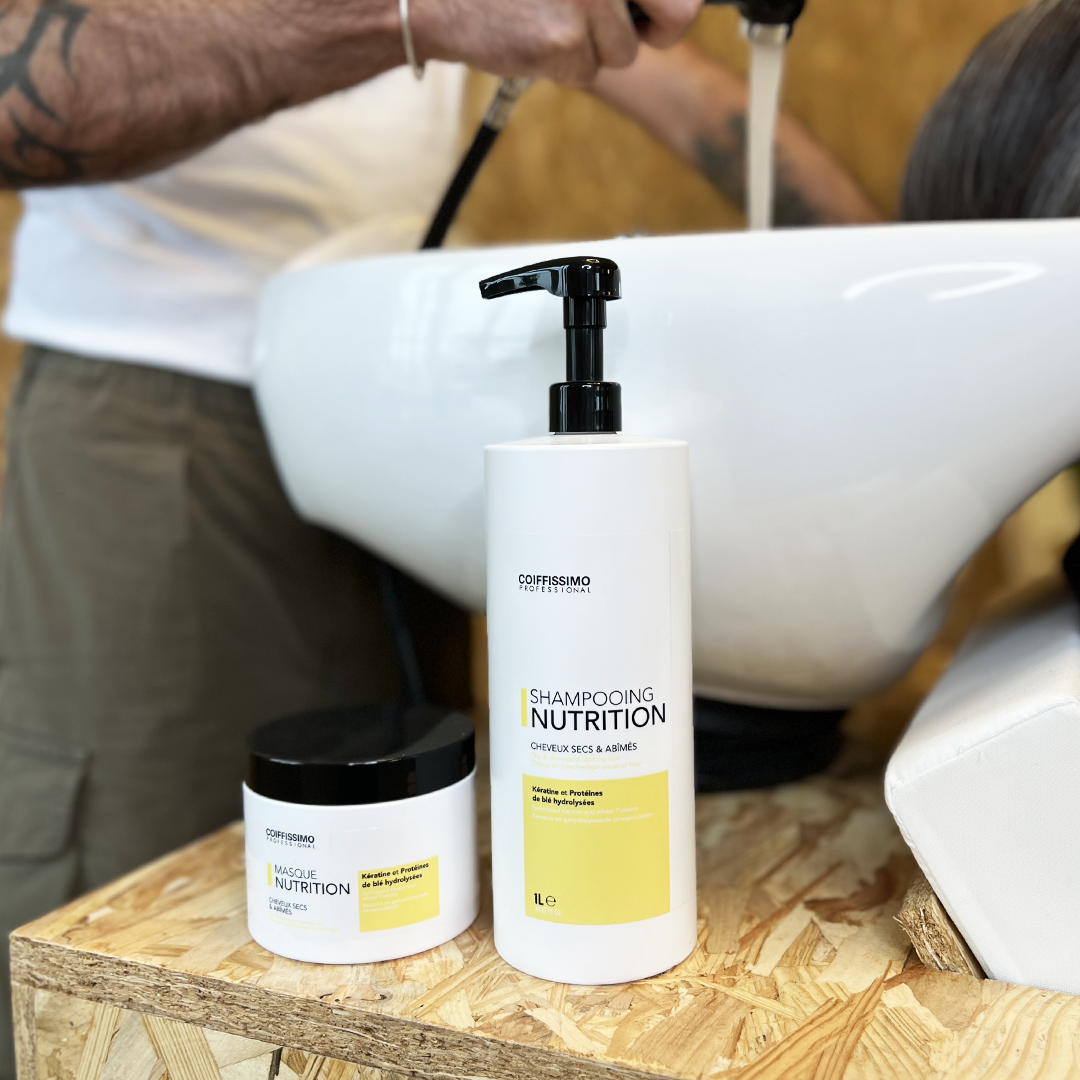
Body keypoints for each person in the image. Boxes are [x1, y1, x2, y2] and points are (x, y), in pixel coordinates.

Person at [0, 1, 881, 1074]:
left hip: (395, 411)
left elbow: (667, 75)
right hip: (166, 401)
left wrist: (902, 280)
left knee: (403, 926)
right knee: (151, 971)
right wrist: (416, 11)